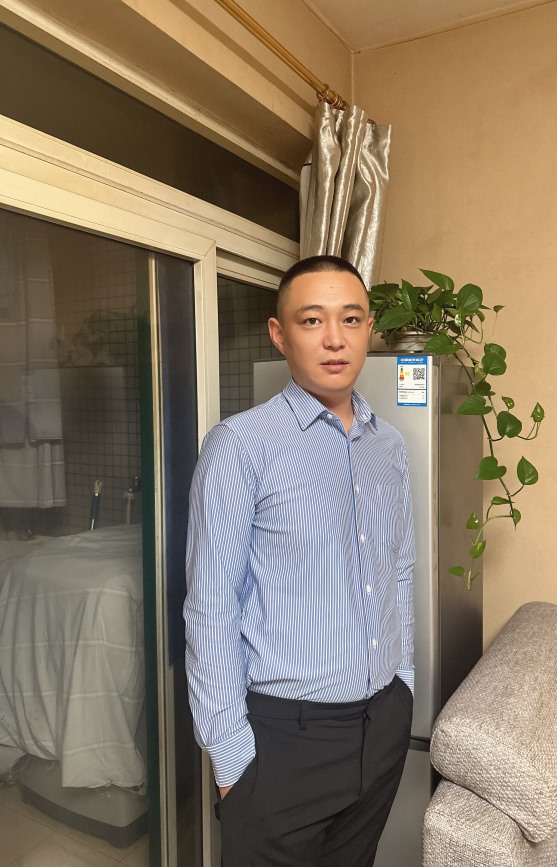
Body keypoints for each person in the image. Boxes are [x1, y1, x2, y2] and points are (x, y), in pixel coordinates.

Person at [184, 254, 415, 867]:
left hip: (381, 726)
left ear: (369, 329)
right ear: (279, 334)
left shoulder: (388, 446)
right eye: (312, 320)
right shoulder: (240, 446)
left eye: (351, 319)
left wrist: (404, 686)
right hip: (283, 741)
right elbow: (210, 607)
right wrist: (232, 758)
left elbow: (399, 572)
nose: (334, 338)